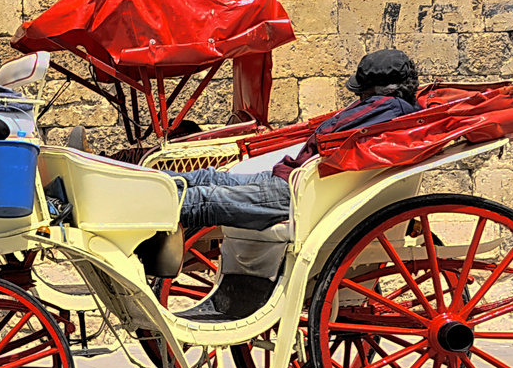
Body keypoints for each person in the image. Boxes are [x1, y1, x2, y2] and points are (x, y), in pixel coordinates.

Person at [164, 49, 421, 322]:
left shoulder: (383, 110)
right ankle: (148, 188)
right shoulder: (389, 109)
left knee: (204, 197)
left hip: (297, 191)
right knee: (209, 178)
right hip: (293, 179)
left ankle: (142, 204)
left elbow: (328, 134)